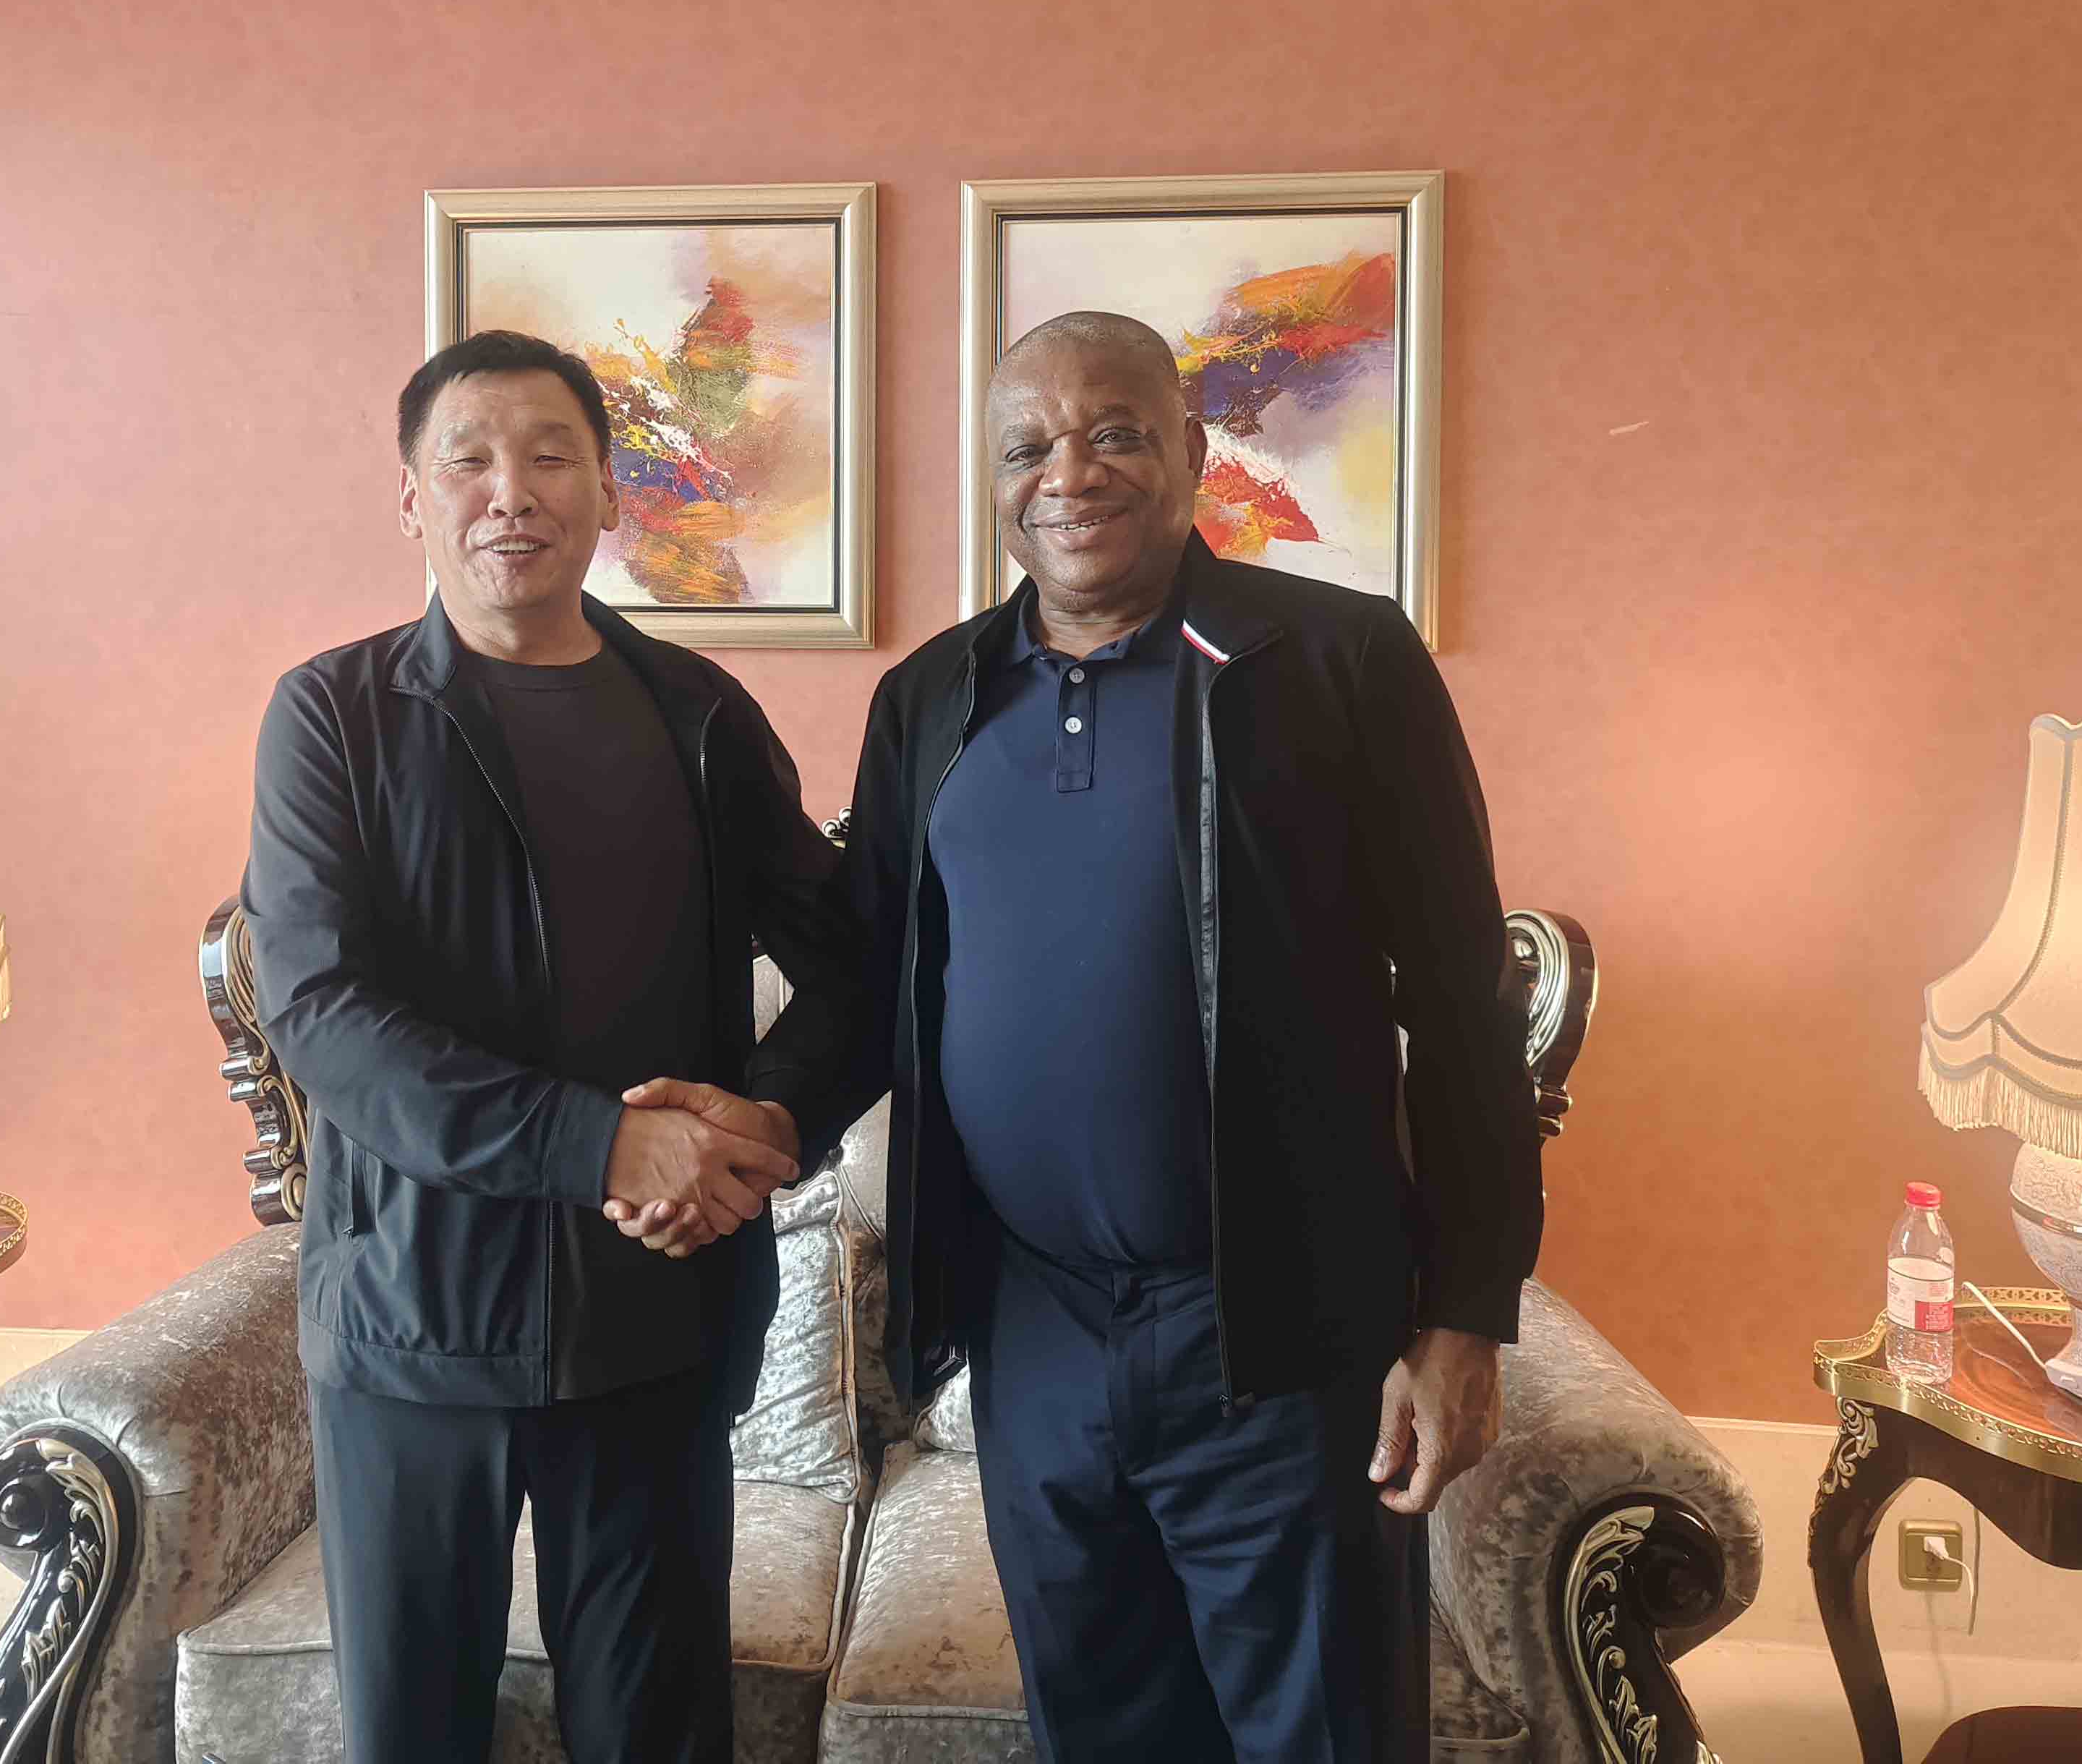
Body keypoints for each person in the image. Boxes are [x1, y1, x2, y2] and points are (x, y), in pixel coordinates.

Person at [644, 309, 1543, 1762]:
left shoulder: (1335, 663)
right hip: (1035, 1329)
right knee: (1101, 1732)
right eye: (1028, 448)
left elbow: (1459, 1000)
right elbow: (875, 980)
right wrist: (766, 1116)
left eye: (1114, 432)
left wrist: (1466, 1314)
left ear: (1189, 449)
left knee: (1320, 1734)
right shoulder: (931, 697)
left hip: (1278, 1336)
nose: (1069, 474)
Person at [241, 328, 852, 1764]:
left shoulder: (697, 714)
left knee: (658, 1731)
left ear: (609, 492)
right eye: (468, 461)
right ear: (413, 500)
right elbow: (319, 1012)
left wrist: (768, 1122)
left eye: (550, 456)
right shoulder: (333, 716)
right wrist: (599, 1144)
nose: (509, 491)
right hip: (412, 1319)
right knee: (414, 1732)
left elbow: (852, 959)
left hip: (656, 1313)